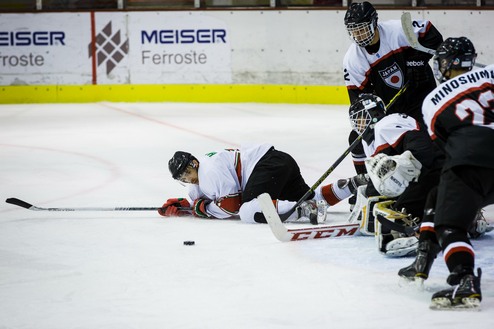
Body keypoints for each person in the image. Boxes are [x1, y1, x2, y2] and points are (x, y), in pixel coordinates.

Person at [402, 37, 493, 310]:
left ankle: (464, 279)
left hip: (472, 157)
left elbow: (443, 147)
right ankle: (423, 258)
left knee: (450, 225)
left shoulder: (433, 98)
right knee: (436, 195)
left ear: (449, 63)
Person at [342, 1, 443, 175]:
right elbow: (358, 101)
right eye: (354, 31)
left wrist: (416, 61)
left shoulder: (398, 30)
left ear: (374, 22)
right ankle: (365, 183)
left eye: (362, 29)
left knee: (430, 148)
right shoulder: (353, 59)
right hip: (392, 111)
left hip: (423, 98)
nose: (358, 35)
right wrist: (373, 117)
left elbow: (433, 36)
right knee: (357, 139)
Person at [158, 144, 368, 224]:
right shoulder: (202, 171)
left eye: (187, 171)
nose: (188, 178)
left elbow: (231, 208)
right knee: (310, 197)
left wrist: (200, 208)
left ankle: (304, 211)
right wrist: (186, 207)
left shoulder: (208, 171)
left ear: (194, 162)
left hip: (267, 166)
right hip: (278, 161)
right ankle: (351, 185)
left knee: (248, 211)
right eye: (182, 178)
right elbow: (201, 200)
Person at [348, 93, 443, 257]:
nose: (358, 124)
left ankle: (410, 231)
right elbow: (378, 183)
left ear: (373, 113)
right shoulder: (369, 141)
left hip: (435, 169)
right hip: (429, 175)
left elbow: (421, 145)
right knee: (379, 194)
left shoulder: (387, 123)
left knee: (397, 209)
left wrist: (412, 160)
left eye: (361, 118)